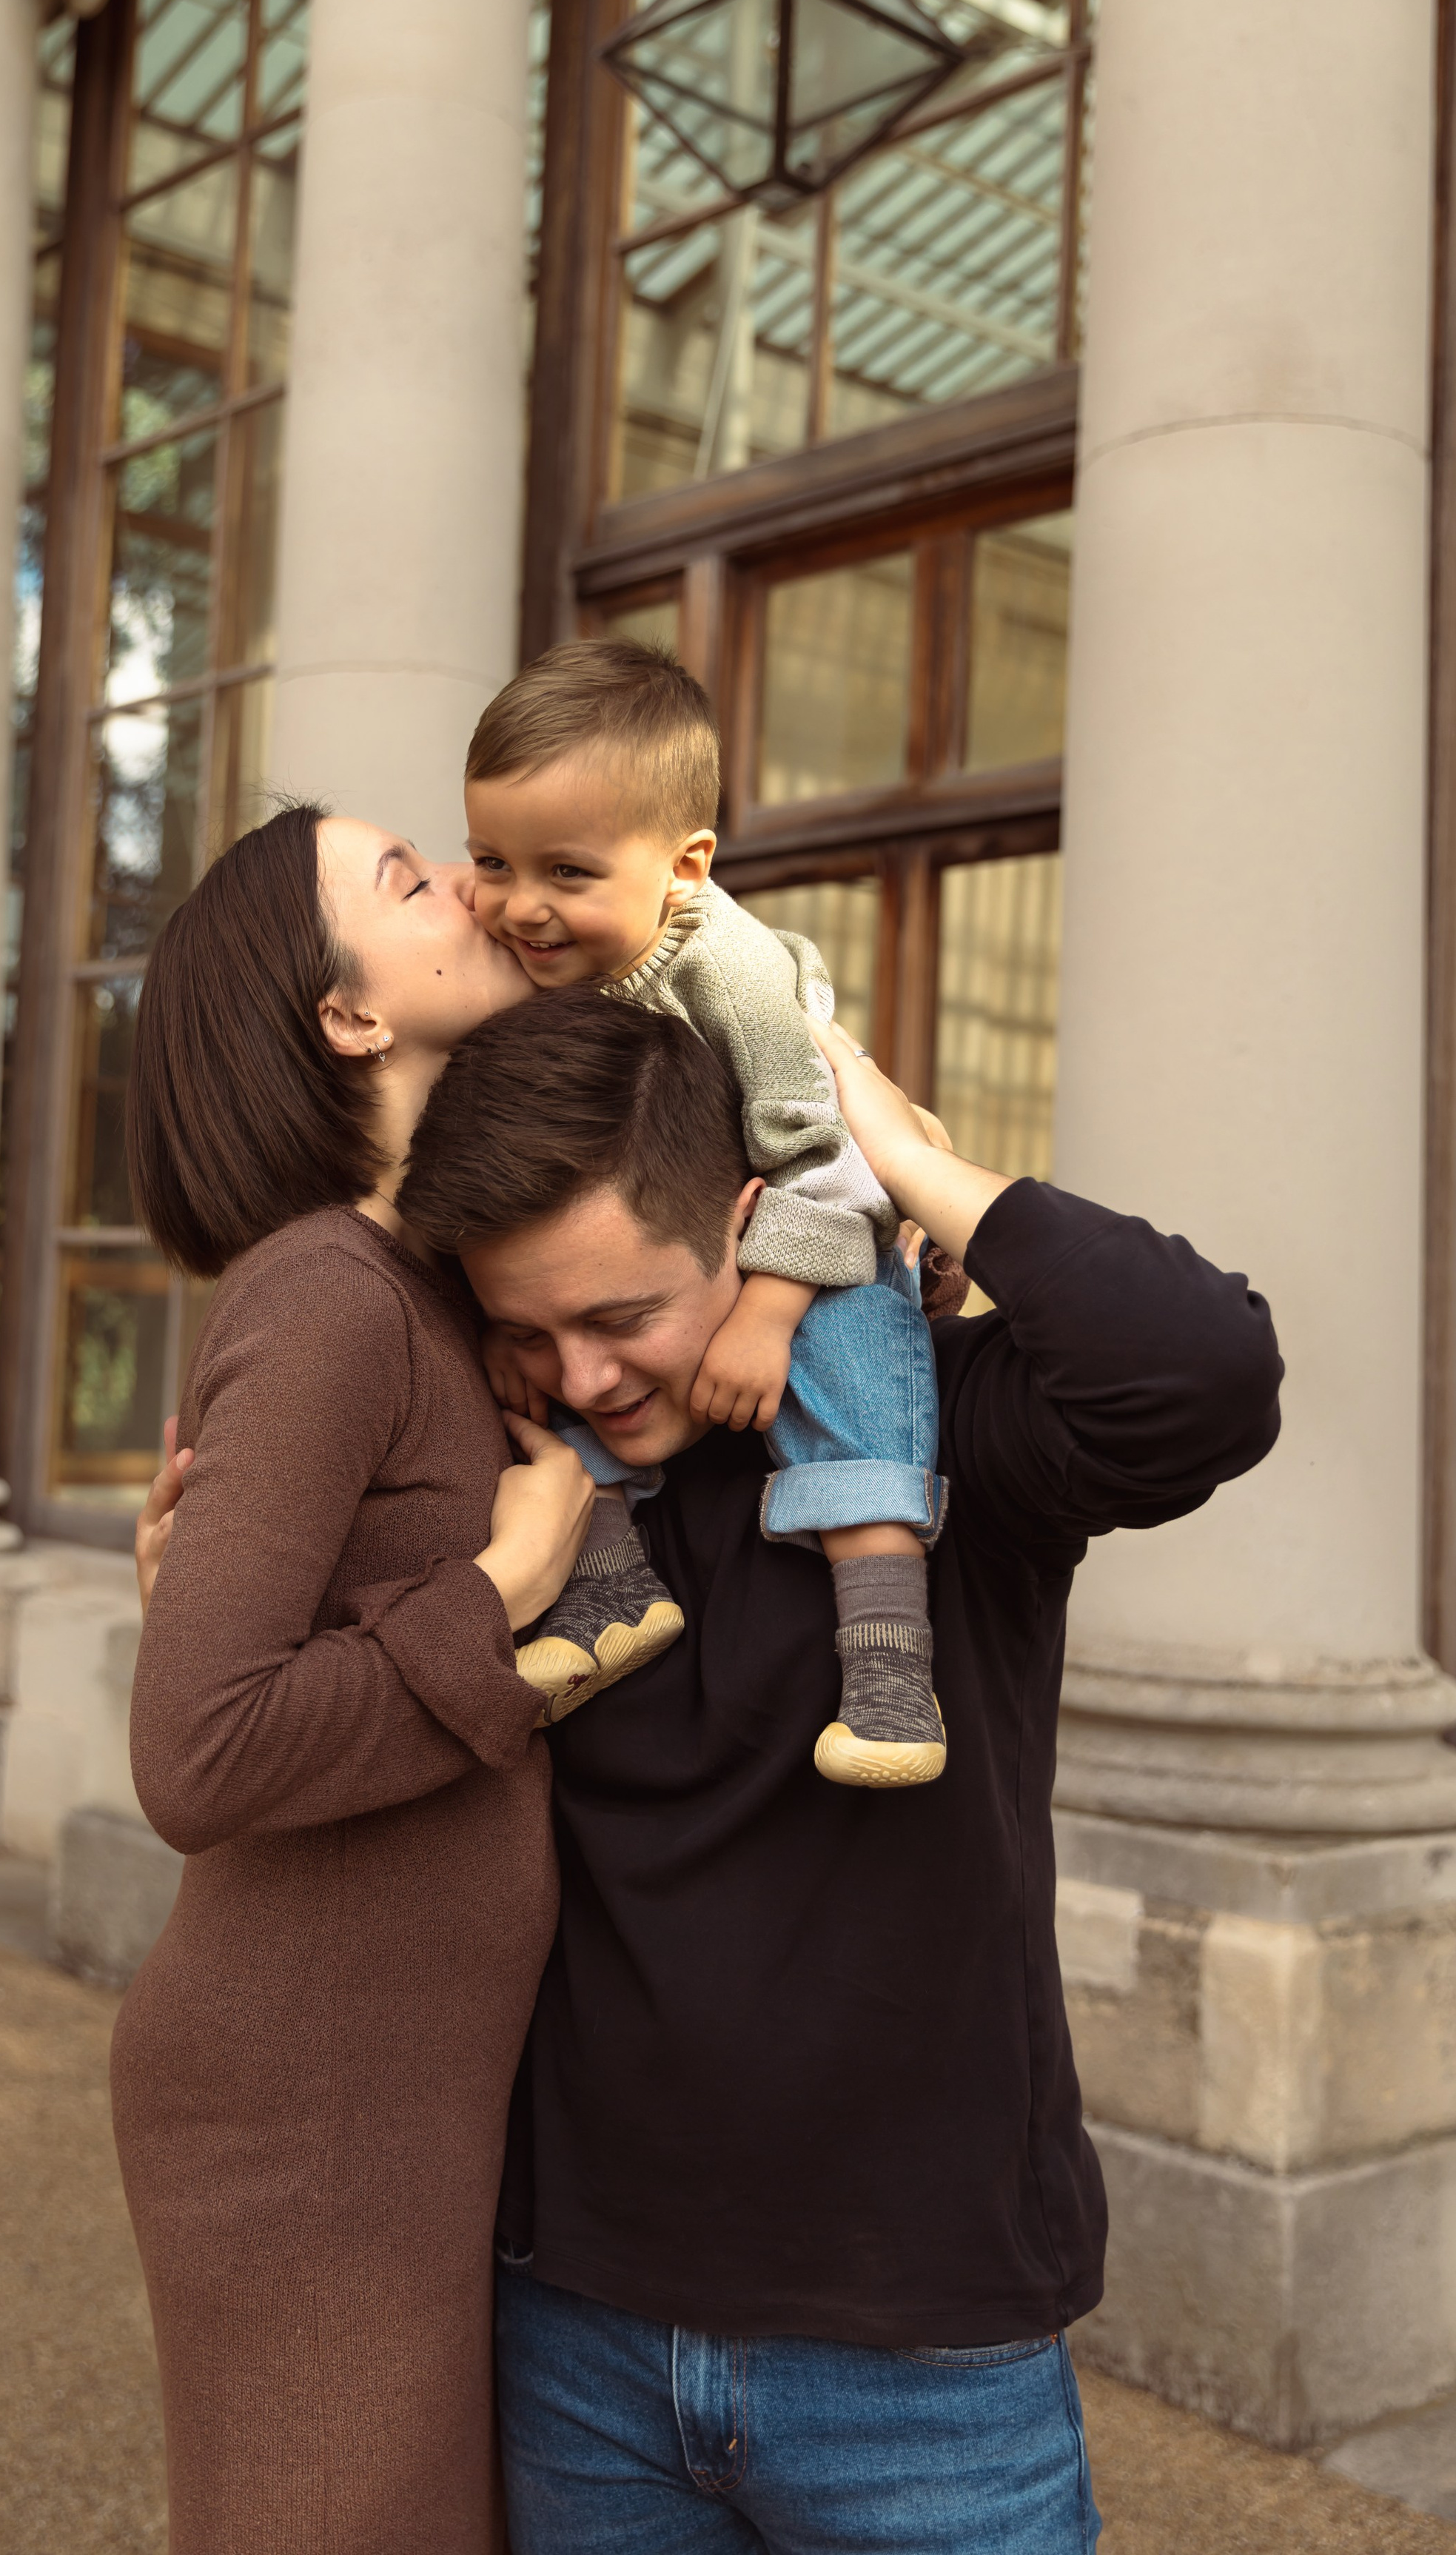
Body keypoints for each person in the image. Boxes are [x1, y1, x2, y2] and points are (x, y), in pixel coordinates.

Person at [388, 987, 1283, 2555]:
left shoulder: (936, 1429)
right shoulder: (527, 1484)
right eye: (526, 1330)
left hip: (923, 2356)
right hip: (574, 2327)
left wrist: (875, 1152)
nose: (582, 1376)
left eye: (620, 1315)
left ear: (744, 1225)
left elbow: (1202, 1369)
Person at [110, 800, 599, 2555]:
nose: (465, 887)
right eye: (406, 882)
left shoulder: (439, 1276)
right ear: (347, 1018)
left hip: (416, 2086)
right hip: (306, 2102)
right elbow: (198, 1751)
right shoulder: (327, 1293)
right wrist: (501, 1581)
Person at [463, 640, 947, 1788]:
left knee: (861, 1381)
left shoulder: (729, 975)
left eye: (566, 874)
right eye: (491, 859)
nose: (519, 907)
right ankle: (612, 1595)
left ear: (686, 866)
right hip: (697, 1231)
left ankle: (891, 1672)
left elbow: (833, 1164)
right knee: (572, 1377)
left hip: (816, 1220)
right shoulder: (549, 951)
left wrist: (768, 1316)